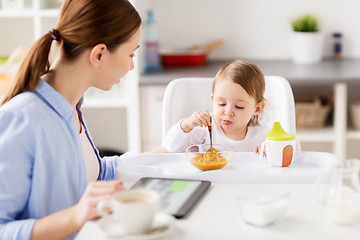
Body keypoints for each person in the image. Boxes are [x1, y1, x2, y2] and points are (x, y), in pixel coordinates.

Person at [0, 0, 141, 239]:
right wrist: (76, 216)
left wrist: (169, 150)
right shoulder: (21, 119)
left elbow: (94, 175)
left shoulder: (70, 106)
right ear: (99, 54)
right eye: (130, 54)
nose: (131, 65)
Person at [165, 60, 268, 153]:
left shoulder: (262, 136)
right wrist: (187, 125)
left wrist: (268, 152)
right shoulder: (205, 128)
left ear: (257, 108)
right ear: (213, 100)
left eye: (239, 106)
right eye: (221, 104)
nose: (228, 112)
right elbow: (172, 148)